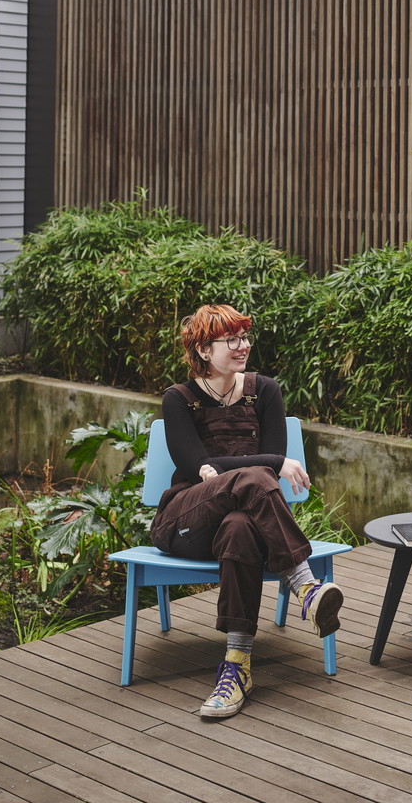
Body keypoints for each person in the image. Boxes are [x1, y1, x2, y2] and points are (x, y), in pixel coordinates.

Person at [149, 303, 344, 720]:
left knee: (240, 526)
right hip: (186, 521)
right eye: (232, 340)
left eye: (245, 337)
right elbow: (199, 469)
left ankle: (236, 669)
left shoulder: (264, 390)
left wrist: (267, 463)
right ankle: (306, 588)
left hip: (239, 527)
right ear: (203, 349)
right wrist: (270, 464)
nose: (243, 346)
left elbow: (268, 459)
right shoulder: (178, 399)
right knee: (256, 477)